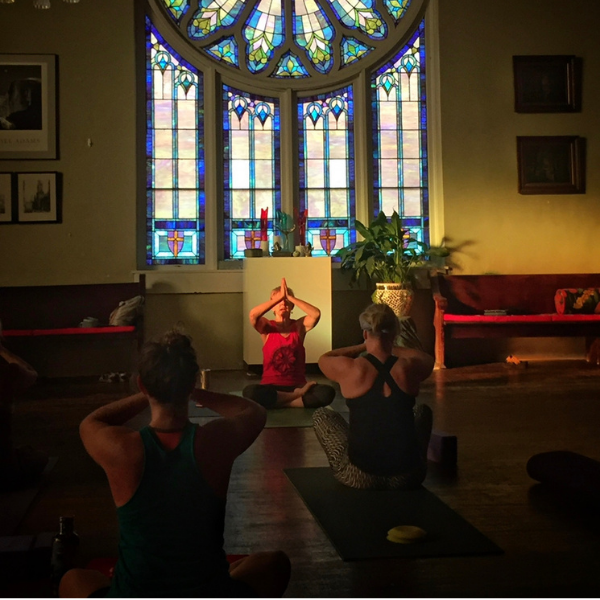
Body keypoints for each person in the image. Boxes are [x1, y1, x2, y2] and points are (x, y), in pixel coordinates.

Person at [59, 330, 290, 598]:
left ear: (142, 385)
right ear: (191, 382)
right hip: (208, 594)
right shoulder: (215, 442)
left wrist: (152, 389)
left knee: (73, 579)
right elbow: (253, 411)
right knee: (275, 564)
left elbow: (91, 422)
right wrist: (193, 391)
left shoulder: (122, 449)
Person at [313, 303, 434, 490]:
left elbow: (324, 358)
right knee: (422, 411)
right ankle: (415, 460)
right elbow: (427, 359)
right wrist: (390, 345)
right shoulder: (409, 367)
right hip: (408, 476)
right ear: (395, 333)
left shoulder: (351, 368)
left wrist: (364, 346)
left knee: (321, 415)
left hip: (359, 476)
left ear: (365, 333)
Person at [242, 278, 335, 409]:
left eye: (286, 301)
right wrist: (279, 298)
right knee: (250, 392)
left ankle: (279, 402)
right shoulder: (267, 327)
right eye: (278, 301)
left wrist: (289, 297)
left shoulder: (299, 326)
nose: (283, 303)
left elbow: (315, 314)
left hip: (297, 385)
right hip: (272, 387)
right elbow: (253, 315)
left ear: (292, 306)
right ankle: (296, 399)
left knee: (327, 392)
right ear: (272, 307)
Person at [0, 320, 49, 491]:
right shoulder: (8, 372)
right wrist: (1, 350)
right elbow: (31, 374)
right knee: (39, 457)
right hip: (5, 470)